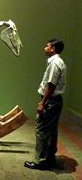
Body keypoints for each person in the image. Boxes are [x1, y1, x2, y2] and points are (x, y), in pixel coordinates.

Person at [24, 38, 67, 170]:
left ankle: (41, 161)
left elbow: (51, 85)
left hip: (50, 101)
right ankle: (50, 159)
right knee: (52, 131)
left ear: (53, 49)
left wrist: (42, 103)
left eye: (47, 46)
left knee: (42, 130)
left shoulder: (55, 63)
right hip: (55, 101)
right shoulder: (58, 62)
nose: (45, 48)